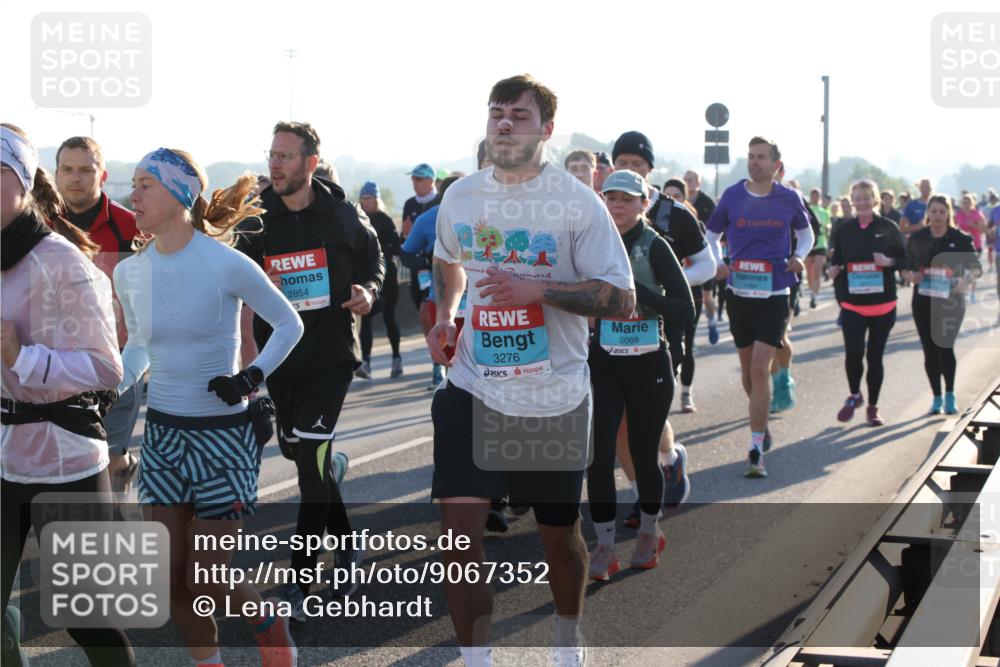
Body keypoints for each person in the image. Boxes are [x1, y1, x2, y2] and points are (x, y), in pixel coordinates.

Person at [426, 74, 635, 667]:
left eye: (519, 115)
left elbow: (620, 299)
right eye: (496, 112)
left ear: (545, 129)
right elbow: (449, 261)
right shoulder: (461, 196)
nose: (504, 123)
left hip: (551, 397)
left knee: (557, 539)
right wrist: (447, 315)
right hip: (473, 386)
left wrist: (537, 289)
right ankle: (477, 659)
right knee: (458, 537)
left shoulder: (577, 203)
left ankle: (568, 638)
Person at [114, 146, 305, 665]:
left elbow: (290, 324)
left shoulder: (225, 262)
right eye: (132, 184)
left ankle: (268, 623)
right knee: (170, 574)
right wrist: (119, 385)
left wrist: (249, 378)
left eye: (145, 185)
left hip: (223, 436)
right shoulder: (130, 272)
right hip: (164, 436)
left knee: (207, 574)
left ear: (180, 194)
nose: (133, 195)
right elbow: (137, 346)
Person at [2, 124, 136, 667]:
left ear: (22, 182)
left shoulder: (60, 260)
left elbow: (107, 368)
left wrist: (22, 358)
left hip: (65, 459)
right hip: (4, 452)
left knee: (90, 624)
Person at [238, 122, 383, 621]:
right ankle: (348, 545)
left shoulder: (341, 214)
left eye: (285, 156)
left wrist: (368, 291)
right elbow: (236, 278)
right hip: (279, 360)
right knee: (304, 457)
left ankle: (303, 577)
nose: (274, 164)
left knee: (310, 466)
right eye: (271, 154)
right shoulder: (257, 219)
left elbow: (374, 259)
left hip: (330, 358)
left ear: (310, 163)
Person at [587, 170, 694, 579]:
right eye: (611, 198)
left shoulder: (655, 246)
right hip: (605, 362)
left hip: (649, 363)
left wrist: (637, 295)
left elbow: (684, 307)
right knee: (597, 457)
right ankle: (605, 545)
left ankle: (650, 531)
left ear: (643, 204)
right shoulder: (593, 245)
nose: (617, 205)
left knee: (643, 453)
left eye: (627, 199)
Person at [611, 131, 715, 514]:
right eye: (622, 163)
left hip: (663, 331)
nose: (629, 170)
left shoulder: (674, 213)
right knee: (620, 420)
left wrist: (668, 284)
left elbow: (708, 264)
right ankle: (643, 494)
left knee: (644, 416)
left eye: (637, 165)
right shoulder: (603, 210)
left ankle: (669, 458)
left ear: (650, 171)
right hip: (610, 334)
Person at [706, 136, 814, 477]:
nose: (755, 162)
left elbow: (807, 234)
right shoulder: (733, 196)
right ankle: (761, 421)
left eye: (762, 157)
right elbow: (709, 236)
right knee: (746, 369)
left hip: (775, 293)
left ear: (775, 165)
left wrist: (799, 257)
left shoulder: (789, 197)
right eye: (751, 156)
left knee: (759, 368)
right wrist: (718, 262)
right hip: (738, 292)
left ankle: (755, 449)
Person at [54, 135, 142, 496]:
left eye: (86, 170)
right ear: (55, 175)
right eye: (67, 169)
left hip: (115, 363)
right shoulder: (39, 225)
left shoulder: (130, 226)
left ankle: (116, 509)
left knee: (109, 458)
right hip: (56, 365)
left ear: (102, 175)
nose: (76, 178)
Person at [827, 180, 906, 426]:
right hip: (852, 304)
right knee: (853, 354)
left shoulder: (888, 227)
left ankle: (872, 406)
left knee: (874, 357)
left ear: (875, 199)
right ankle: (854, 395)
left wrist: (889, 262)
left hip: (882, 305)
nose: (862, 202)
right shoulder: (844, 229)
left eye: (866, 197)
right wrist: (833, 270)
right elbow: (836, 260)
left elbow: (905, 258)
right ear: (852, 201)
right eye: (857, 198)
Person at [904, 195, 982, 415]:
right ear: (927, 213)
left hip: (951, 301)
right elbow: (905, 268)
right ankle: (936, 397)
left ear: (949, 213)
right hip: (923, 300)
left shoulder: (960, 238)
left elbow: (976, 268)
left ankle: (950, 394)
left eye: (942, 211)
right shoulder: (917, 238)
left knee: (944, 346)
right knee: (929, 350)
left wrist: (964, 281)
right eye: (934, 211)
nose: (937, 215)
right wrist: (911, 277)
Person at [401, 176, 461, 389]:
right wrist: (426, 260)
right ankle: (439, 367)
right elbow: (405, 254)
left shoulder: (482, 214)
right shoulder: (428, 219)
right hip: (444, 299)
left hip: (479, 302)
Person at [662, 178, 709, 412]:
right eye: (666, 195)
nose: (671, 200)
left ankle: (686, 393)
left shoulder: (690, 223)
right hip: (663, 296)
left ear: (685, 197)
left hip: (691, 293)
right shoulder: (655, 224)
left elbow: (708, 262)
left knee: (686, 345)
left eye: (676, 196)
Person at [357, 180, 403, 378]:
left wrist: (380, 250)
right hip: (367, 276)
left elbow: (397, 247)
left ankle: (396, 357)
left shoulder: (385, 220)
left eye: (370, 198)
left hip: (389, 276)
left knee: (389, 317)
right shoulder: (357, 220)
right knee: (366, 319)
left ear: (377, 200)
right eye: (363, 198)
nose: (366, 202)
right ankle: (366, 361)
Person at [682, 170, 722, 345]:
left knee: (707, 297)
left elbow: (714, 234)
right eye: (685, 180)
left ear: (698, 183)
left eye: (691, 180)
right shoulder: (678, 203)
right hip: (685, 259)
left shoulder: (707, 204)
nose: (688, 183)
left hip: (703, 257)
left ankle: (712, 322)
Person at [954, 193, 988, 303]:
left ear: (971, 203)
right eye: (964, 203)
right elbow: (954, 227)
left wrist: (974, 225)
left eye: (968, 203)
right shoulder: (958, 214)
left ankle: (972, 293)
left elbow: (984, 229)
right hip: (961, 246)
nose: (965, 204)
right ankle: (965, 292)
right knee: (963, 270)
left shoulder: (977, 214)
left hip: (976, 245)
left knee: (972, 270)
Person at [805, 187, 831, 309]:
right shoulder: (806, 210)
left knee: (817, 270)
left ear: (819, 197)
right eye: (813, 195)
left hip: (821, 245)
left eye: (817, 195)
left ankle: (814, 297)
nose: (815, 197)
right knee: (809, 272)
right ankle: (812, 290)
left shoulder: (824, 212)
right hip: (809, 245)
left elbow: (827, 229)